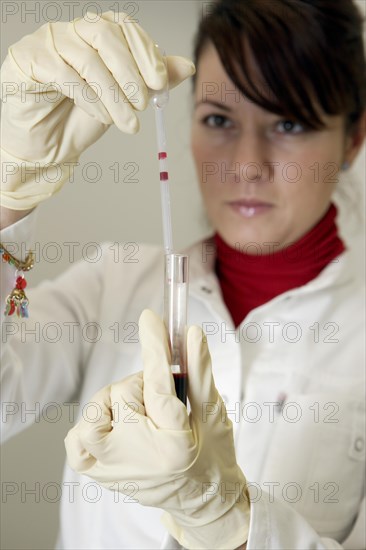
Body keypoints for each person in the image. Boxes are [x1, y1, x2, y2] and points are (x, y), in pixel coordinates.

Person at [1, 0, 365, 548]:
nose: (245, 164)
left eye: (288, 122)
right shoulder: (113, 283)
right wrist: (6, 195)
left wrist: (231, 525)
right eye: (219, 120)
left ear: (353, 139)